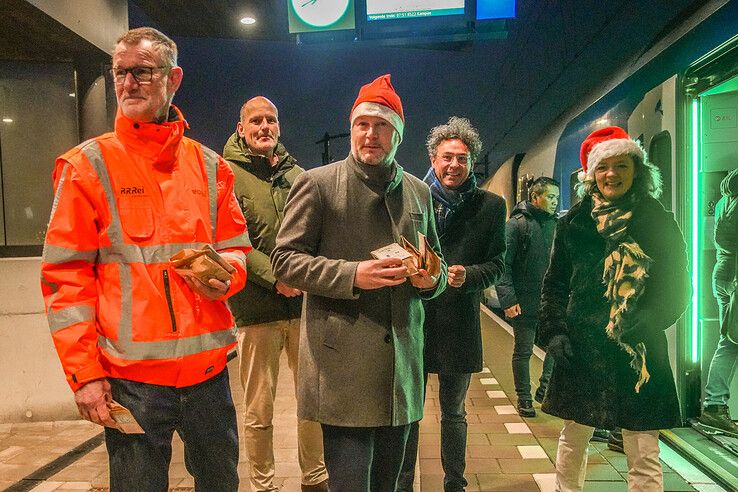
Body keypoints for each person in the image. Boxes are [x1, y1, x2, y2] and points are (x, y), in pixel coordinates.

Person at [40, 28, 251, 491]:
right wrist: (85, 376)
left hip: (208, 376)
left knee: (222, 484)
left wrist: (227, 274)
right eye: (120, 72)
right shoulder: (86, 167)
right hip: (132, 385)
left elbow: (238, 249)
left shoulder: (211, 166)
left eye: (142, 71)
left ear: (173, 78)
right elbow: (65, 280)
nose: (128, 83)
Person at [271, 74, 447, 491]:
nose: (370, 134)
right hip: (342, 371)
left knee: (392, 484)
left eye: (382, 125)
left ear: (398, 134)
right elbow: (285, 260)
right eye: (362, 124)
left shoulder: (420, 192)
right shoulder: (316, 184)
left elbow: (437, 267)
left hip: (401, 372)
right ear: (352, 129)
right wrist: (353, 274)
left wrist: (431, 278)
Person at [539, 126, 690, 491]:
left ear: (636, 170)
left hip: (637, 349)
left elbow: (677, 284)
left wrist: (653, 317)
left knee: (643, 450)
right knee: (574, 440)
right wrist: (555, 332)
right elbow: (555, 284)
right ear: (591, 175)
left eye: (621, 166)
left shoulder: (658, 220)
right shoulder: (572, 224)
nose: (612, 175)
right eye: (604, 167)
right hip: (582, 348)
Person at [223, 96, 329, 491]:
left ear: (279, 127)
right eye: (255, 121)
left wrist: (305, 277)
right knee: (258, 408)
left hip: (303, 307)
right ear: (242, 128)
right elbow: (233, 243)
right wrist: (278, 278)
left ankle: (315, 479)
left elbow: (315, 234)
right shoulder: (226, 176)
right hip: (255, 310)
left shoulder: (299, 175)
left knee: (311, 402)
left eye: (271, 119)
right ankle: (263, 484)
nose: (264, 126)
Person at [397, 117, 506, 491]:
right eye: (447, 157)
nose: (454, 165)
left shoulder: (490, 207)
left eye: (462, 158)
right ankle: (403, 482)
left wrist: (469, 276)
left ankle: (454, 483)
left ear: (472, 161)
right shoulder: (409, 196)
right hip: (414, 319)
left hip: (459, 322)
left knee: (454, 412)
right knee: (408, 413)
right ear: (432, 157)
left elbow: (497, 265)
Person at [496, 176, 559, 418]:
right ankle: (524, 398)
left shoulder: (558, 225)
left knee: (555, 348)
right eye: (550, 197)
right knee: (523, 351)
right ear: (535, 197)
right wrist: (509, 299)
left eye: (556, 197)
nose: (555, 202)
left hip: (551, 303)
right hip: (524, 302)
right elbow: (504, 264)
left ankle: (544, 390)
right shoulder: (516, 225)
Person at [699, 168, 738, 436]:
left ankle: (715, 405)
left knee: (730, 342)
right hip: (734, 277)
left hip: (723, 273)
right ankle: (714, 406)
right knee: (730, 343)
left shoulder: (727, 199)